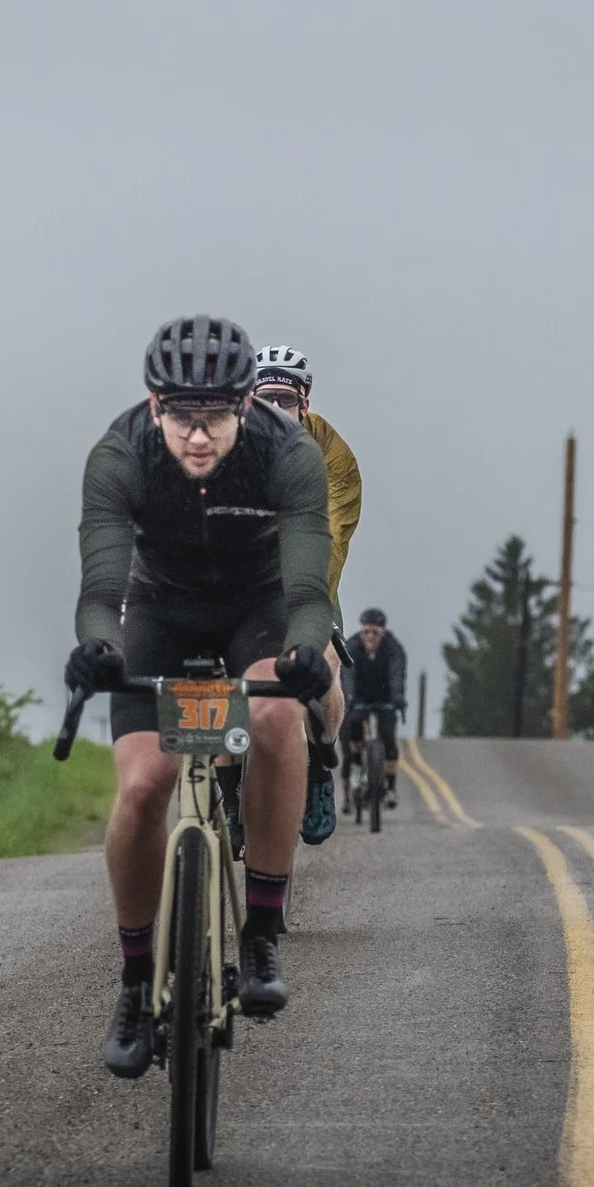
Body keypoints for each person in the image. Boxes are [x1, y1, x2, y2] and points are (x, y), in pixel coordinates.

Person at [69, 315, 334, 1078]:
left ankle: (260, 930)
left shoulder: (289, 455)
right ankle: (131, 979)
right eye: (180, 415)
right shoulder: (119, 455)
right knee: (145, 785)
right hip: (159, 611)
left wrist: (307, 652)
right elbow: (101, 591)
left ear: (246, 405)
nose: (196, 435)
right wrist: (99, 649)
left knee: (279, 713)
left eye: (213, 415)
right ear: (154, 406)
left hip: (259, 608)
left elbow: (309, 589)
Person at [251, 344, 359, 843]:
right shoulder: (226, 442)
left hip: (314, 573)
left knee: (326, 664)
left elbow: (333, 535)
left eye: (283, 399)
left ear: (304, 402)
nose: (274, 410)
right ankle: (226, 786)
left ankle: (319, 767)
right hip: (244, 576)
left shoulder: (333, 455)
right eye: (263, 398)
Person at [342, 607, 408, 806]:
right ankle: (355, 765)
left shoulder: (394, 649)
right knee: (353, 725)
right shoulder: (352, 646)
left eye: (375, 633)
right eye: (366, 632)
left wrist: (398, 698)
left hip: (385, 697)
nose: (370, 637)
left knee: (388, 738)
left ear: (383, 632)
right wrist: (350, 695)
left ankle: (390, 787)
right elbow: (347, 674)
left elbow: (397, 674)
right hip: (359, 697)